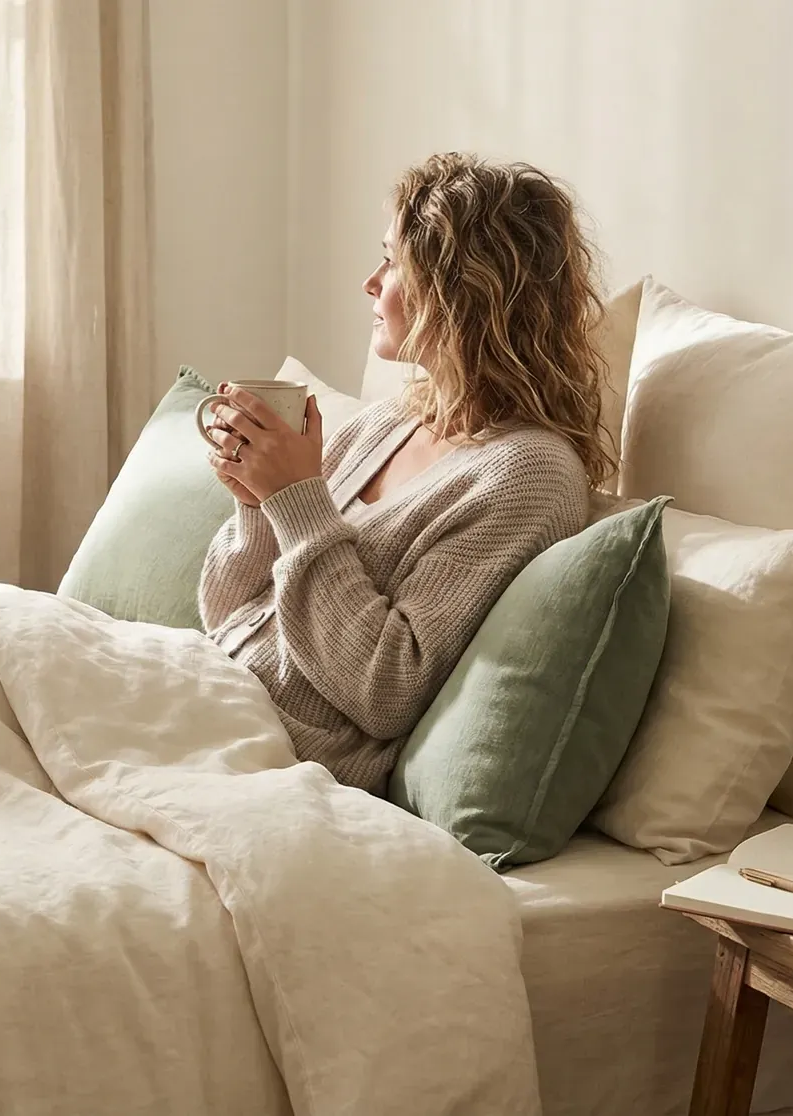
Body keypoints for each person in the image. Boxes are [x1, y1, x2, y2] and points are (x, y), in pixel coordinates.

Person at [198, 151, 612, 797]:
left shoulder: (529, 474)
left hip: (272, 756)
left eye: (392, 261)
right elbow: (225, 613)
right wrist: (258, 502)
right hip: (206, 696)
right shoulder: (392, 418)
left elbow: (386, 688)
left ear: (460, 289)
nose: (370, 281)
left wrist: (298, 503)